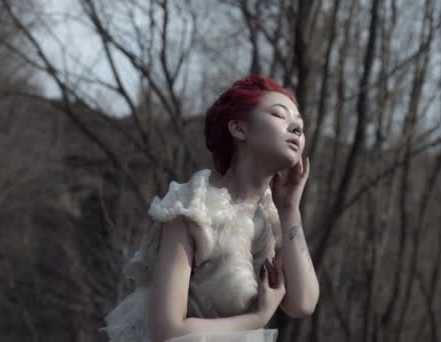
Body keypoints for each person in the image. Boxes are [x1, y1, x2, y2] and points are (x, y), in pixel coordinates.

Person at [99, 75, 319, 342]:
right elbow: (166, 332)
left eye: (299, 124)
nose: (295, 127)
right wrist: (258, 318)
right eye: (278, 114)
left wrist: (290, 209)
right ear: (239, 129)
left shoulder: (273, 218)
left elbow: (303, 303)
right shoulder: (192, 208)